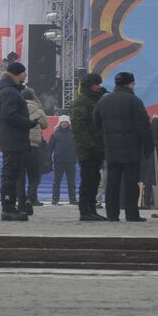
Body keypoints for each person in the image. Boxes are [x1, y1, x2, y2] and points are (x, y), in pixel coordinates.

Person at [93, 71, 153, 222]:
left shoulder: (104, 101)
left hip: (111, 148)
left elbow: (96, 123)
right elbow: (143, 126)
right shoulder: (134, 101)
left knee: (112, 182)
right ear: (130, 84)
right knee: (131, 182)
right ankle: (132, 214)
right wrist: (148, 146)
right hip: (131, 148)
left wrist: (104, 141)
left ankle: (112, 214)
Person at [0, 61, 35, 221]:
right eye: (23, 73)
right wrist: (28, 123)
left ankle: (10, 206)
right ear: (16, 74)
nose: (25, 75)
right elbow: (9, 115)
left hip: (12, 139)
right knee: (10, 174)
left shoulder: (10, 91)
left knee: (12, 173)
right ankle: (8, 207)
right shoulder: (10, 92)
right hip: (13, 140)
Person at [69, 74, 107, 221]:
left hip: (97, 147)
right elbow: (80, 128)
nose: (99, 86)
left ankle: (91, 209)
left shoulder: (95, 101)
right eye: (96, 84)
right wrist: (90, 146)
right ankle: (85, 211)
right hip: (87, 149)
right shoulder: (81, 103)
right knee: (88, 180)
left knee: (95, 179)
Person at [22, 87, 48, 207]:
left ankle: (21, 199)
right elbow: (45, 126)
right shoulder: (38, 111)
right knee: (34, 175)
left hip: (20, 145)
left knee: (20, 175)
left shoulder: (17, 108)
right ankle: (32, 198)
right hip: (34, 146)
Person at [46, 117, 76, 205]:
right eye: (62, 122)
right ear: (59, 123)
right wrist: (48, 159)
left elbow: (78, 146)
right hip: (58, 161)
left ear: (68, 123)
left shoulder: (73, 133)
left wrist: (76, 158)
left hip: (70, 161)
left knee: (71, 182)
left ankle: (73, 199)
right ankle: (55, 199)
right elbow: (50, 147)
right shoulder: (55, 133)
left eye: (66, 122)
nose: (64, 124)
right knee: (56, 182)